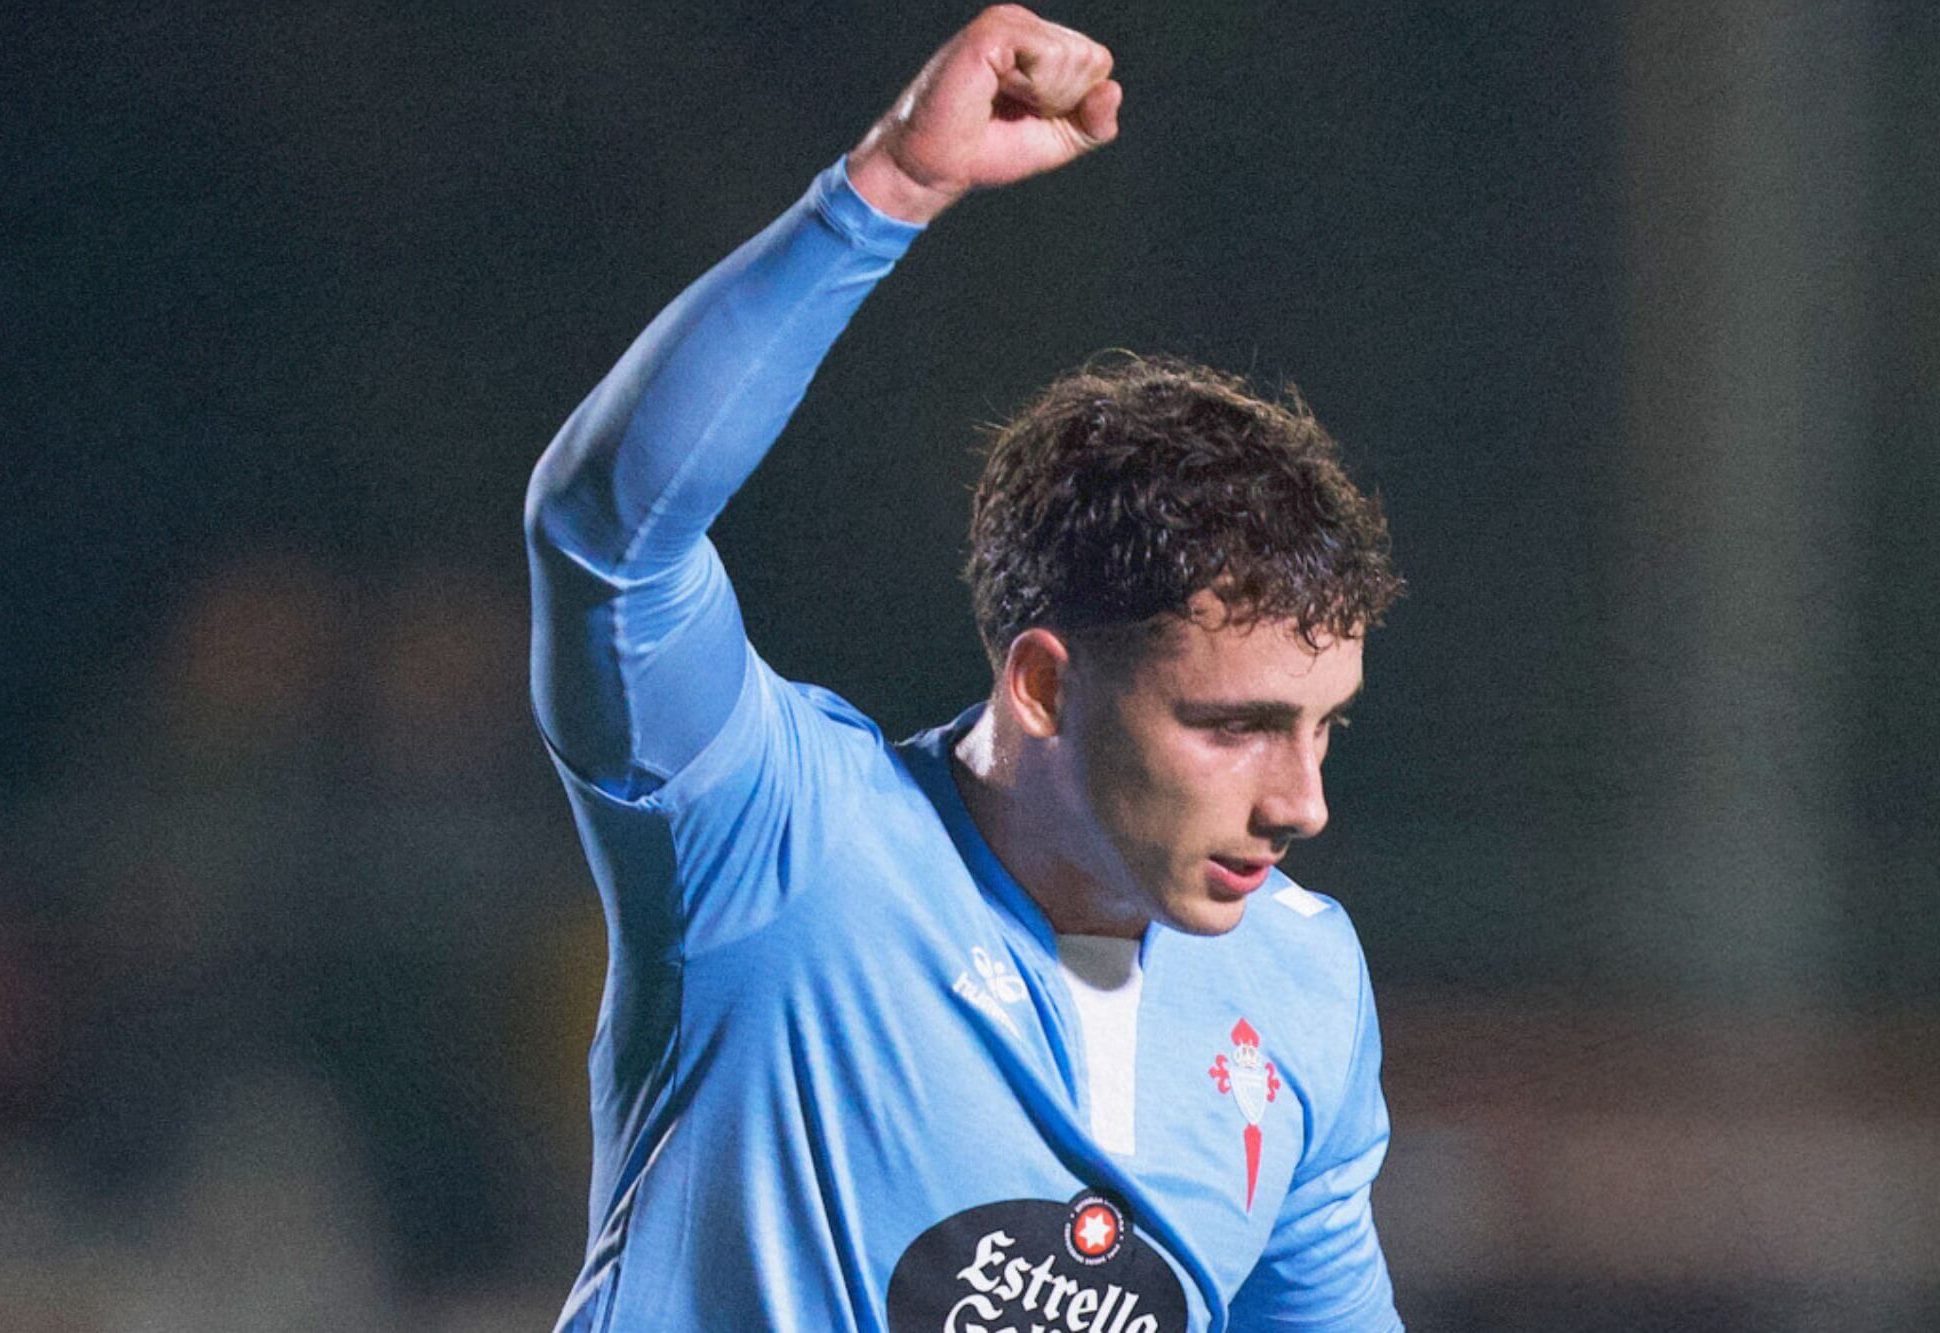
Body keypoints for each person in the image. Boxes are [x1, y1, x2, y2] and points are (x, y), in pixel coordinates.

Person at [526, 8, 1405, 1330]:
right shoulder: (777, 841)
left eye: (1323, 727)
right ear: (1043, 686)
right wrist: (889, 186)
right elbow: (605, 541)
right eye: (1236, 726)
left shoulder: (1302, 984)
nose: (1301, 802)